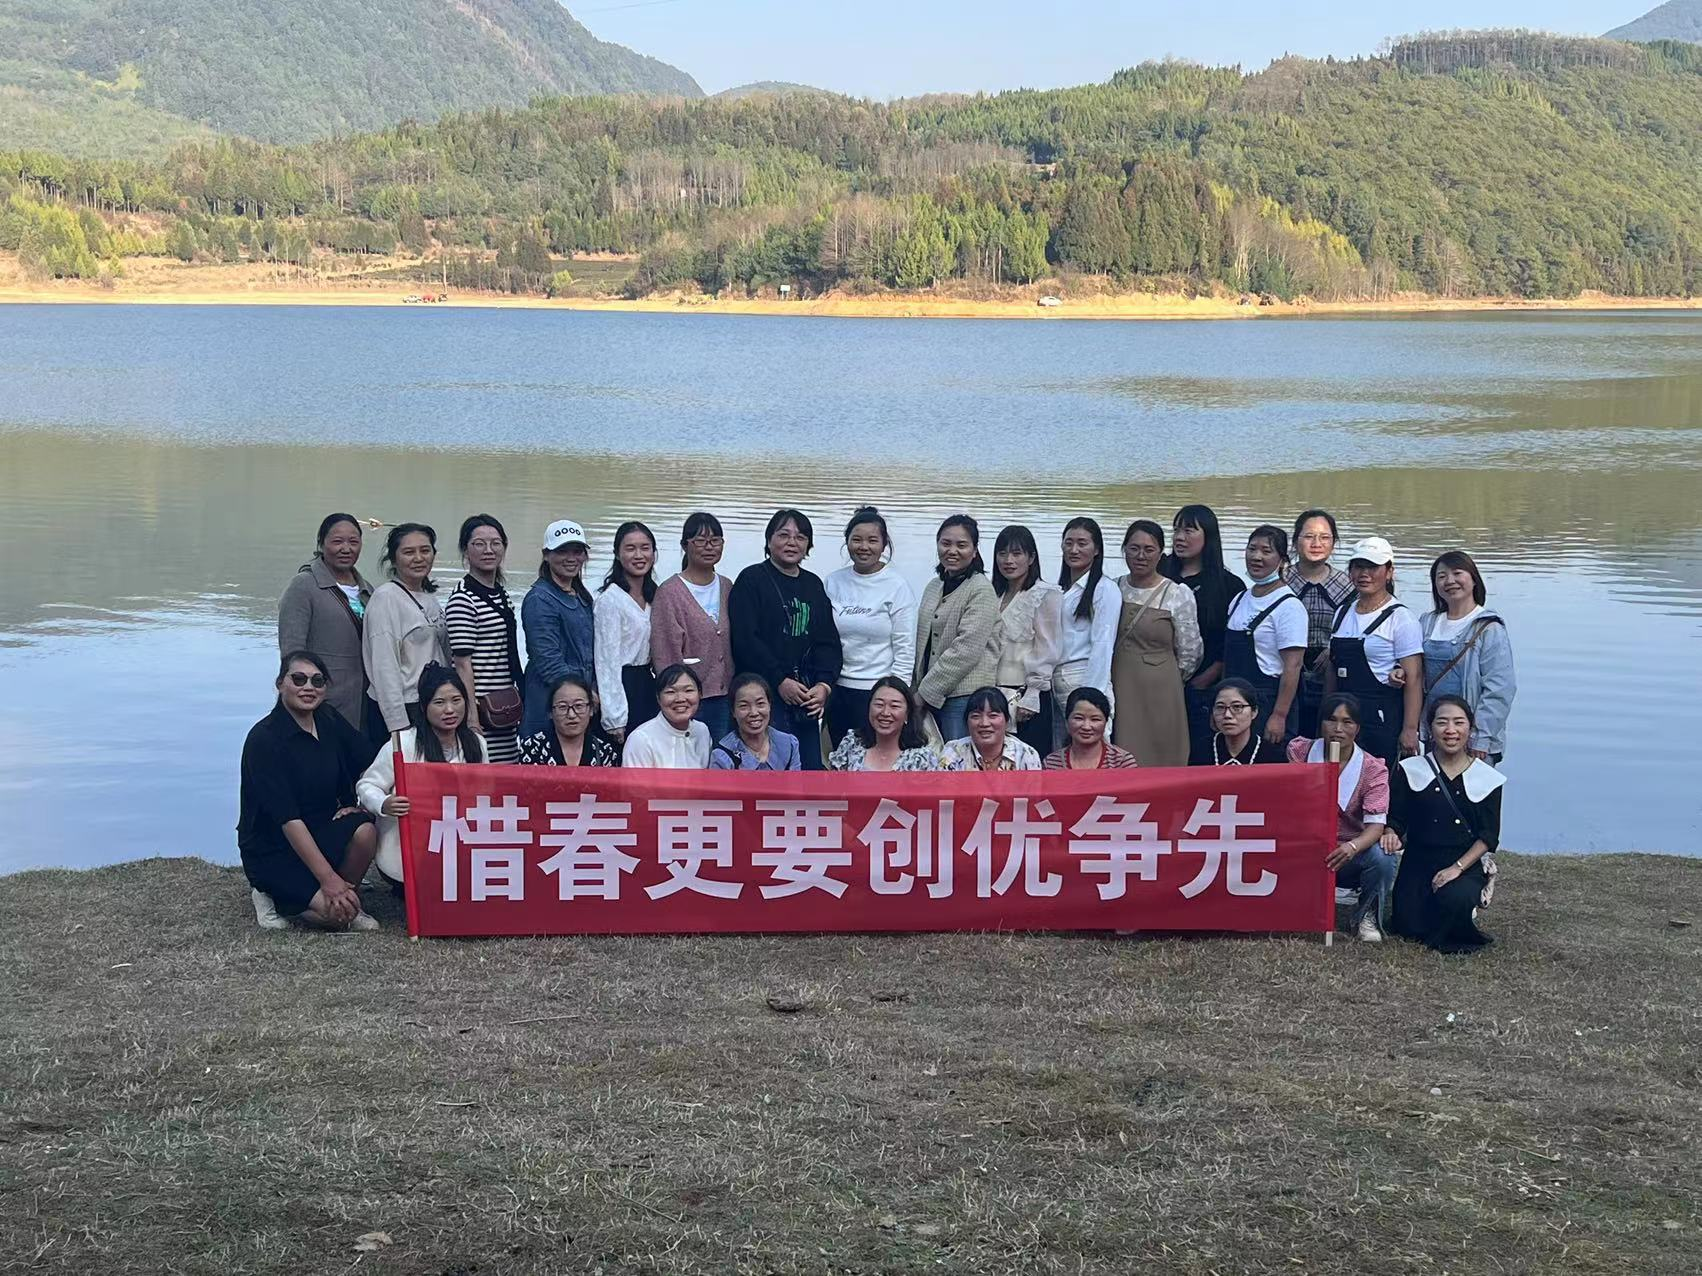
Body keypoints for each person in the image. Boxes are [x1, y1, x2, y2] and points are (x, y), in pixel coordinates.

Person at [238, 651, 380, 931]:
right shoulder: (263, 740)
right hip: (274, 847)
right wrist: (328, 878)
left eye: (317, 681)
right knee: (332, 921)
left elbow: (371, 759)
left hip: (320, 830)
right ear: (280, 684)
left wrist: (363, 802)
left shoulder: (328, 719)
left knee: (365, 831)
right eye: (299, 679)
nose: (308, 687)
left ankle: (347, 899)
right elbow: (288, 820)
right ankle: (268, 892)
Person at [1384, 696, 1504, 953]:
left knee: (1454, 899)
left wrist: (1456, 868)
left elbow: (1488, 836)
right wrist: (1391, 832)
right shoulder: (1410, 770)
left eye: (1459, 723)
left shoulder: (1487, 778)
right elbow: (1396, 818)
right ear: (1430, 728)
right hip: (1418, 860)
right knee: (1409, 926)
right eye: (1442, 722)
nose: (1451, 730)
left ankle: (1467, 900)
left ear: (1470, 728)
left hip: (1463, 862)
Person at [729, 509, 843, 770]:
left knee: (809, 768)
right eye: (784, 535)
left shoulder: (813, 585)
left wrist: (824, 685)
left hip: (804, 696)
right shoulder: (751, 580)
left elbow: (827, 641)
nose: (792, 543)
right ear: (769, 541)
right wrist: (779, 680)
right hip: (764, 695)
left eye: (800, 537)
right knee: (769, 770)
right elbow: (745, 640)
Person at [356, 663, 486, 886]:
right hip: (408, 849)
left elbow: (485, 794)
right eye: (439, 702)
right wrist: (384, 803)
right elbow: (367, 785)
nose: (450, 710)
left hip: (460, 840)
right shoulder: (402, 743)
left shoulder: (477, 743)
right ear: (424, 706)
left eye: (456, 700)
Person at [1287, 693, 1395, 942]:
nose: (1338, 729)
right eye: (1331, 720)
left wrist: (1352, 847)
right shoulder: (1299, 751)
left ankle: (1366, 915)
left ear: (1358, 728)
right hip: (1306, 844)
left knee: (1383, 857)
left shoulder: (1373, 769)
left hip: (1348, 849)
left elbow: (1376, 826)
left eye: (1347, 722)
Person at [278, 513, 381, 748]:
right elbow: (292, 651)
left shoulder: (368, 591)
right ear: (321, 543)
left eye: (353, 542)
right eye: (337, 541)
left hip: (364, 703)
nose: (346, 548)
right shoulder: (304, 586)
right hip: (322, 702)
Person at [1325, 536, 1424, 765]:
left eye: (1372, 567)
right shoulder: (1342, 613)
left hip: (1381, 719)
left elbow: (1415, 677)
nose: (1364, 574)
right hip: (1342, 721)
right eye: (1358, 567)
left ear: (1389, 572)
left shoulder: (1401, 618)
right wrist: (1325, 716)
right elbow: (1332, 668)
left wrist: (1410, 729)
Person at [1111, 519, 1201, 767]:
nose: (1141, 556)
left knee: (1163, 750)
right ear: (1124, 550)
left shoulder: (1177, 594)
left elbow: (1191, 651)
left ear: (1161, 553)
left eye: (1149, 549)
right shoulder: (1113, 588)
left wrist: (1167, 675)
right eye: (1134, 548)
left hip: (1162, 688)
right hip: (1118, 682)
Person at [825, 506, 917, 746]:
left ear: (884, 545)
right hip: (837, 689)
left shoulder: (897, 586)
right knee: (840, 756)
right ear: (847, 542)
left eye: (872, 540)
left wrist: (895, 696)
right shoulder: (833, 581)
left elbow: (905, 647)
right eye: (857, 540)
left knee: (874, 756)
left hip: (877, 691)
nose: (864, 547)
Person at [1162, 504, 1245, 763]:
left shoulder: (1228, 585)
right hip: (1159, 682)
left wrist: (1206, 679)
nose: (1180, 538)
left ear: (1208, 536)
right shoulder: (1160, 575)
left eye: (1189, 531)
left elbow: (1229, 642)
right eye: (1176, 530)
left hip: (1204, 686)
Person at [1418, 551, 1517, 763]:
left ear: (1474, 579)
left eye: (1457, 573)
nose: (1449, 581)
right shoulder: (1427, 623)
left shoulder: (1488, 627)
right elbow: (1414, 670)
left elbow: (1500, 688)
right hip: (1435, 733)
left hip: (1472, 739)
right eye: (1441, 576)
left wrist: (1481, 736)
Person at [444, 514, 524, 764]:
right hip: (482, 708)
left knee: (508, 771)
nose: (488, 550)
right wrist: (471, 716)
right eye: (479, 544)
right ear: (465, 550)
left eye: (495, 543)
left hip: (504, 704)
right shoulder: (463, 599)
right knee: (485, 773)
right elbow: (462, 663)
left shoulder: (500, 593)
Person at [914, 514, 1000, 743]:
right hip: (929, 692)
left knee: (959, 759)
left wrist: (924, 693)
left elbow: (966, 650)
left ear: (974, 550)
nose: (952, 551)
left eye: (961, 545)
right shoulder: (934, 586)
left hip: (963, 697)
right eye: (946, 543)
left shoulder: (981, 590)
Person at [651, 511, 735, 741]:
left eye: (715, 540)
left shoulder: (727, 586)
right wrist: (679, 698)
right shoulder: (669, 593)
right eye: (700, 541)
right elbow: (665, 655)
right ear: (685, 545)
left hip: (727, 697)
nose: (709, 547)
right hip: (691, 703)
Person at [363, 522, 451, 736]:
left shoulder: (429, 598)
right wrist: (398, 726)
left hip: (433, 703)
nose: (419, 558)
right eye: (409, 552)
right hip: (405, 708)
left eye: (425, 550)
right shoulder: (386, 599)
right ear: (393, 559)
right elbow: (384, 667)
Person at [1222, 525, 1307, 745]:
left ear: (1282, 560)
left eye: (1266, 551)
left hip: (1267, 703)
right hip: (1232, 702)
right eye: (1252, 549)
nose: (1256, 557)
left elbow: (1293, 666)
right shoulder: (1239, 599)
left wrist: (1279, 716)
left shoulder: (1289, 606)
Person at [990, 524, 1064, 758]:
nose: (1008, 560)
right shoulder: (993, 594)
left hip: (1025, 694)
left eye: (1016, 553)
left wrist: (1033, 694)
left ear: (1031, 557)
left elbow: (1048, 647)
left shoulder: (1044, 594)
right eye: (1002, 553)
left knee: (1027, 761)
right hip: (992, 694)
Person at [520, 518, 595, 740]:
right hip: (549, 704)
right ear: (546, 555)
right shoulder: (539, 599)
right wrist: (583, 695)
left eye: (577, 551)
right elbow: (548, 660)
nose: (571, 558)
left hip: (578, 704)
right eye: (562, 551)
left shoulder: (581, 596)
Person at [1285, 509, 1354, 734]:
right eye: (1309, 536)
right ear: (1295, 542)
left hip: (1332, 671)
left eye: (1324, 537)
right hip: (1287, 670)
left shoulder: (1348, 584)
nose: (1316, 544)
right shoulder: (1281, 581)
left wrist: (1333, 648)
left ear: (1333, 543)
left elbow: (1360, 626)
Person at [1055, 517, 1120, 750]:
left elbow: (1103, 645)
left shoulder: (1105, 589)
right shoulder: (1062, 588)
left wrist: (1090, 698)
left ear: (1097, 549)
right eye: (1069, 543)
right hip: (1058, 680)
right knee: (1063, 754)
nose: (1074, 550)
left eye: (1082, 543)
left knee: (1092, 752)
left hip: (1084, 676)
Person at [595, 520, 660, 748]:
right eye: (630, 548)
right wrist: (615, 717)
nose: (639, 555)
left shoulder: (655, 596)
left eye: (645, 548)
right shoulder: (610, 600)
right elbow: (606, 661)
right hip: (623, 686)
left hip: (647, 684)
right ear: (617, 554)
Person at [829, 675, 940, 772]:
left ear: (907, 714)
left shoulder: (922, 758)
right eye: (879, 705)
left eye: (894, 706)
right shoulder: (851, 744)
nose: (885, 713)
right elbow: (833, 785)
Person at [517, 673, 621, 767]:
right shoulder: (532, 747)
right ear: (550, 712)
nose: (571, 715)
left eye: (579, 706)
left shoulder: (605, 751)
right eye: (562, 707)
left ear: (591, 710)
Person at [622, 664, 713, 768]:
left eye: (688, 691)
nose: (680, 699)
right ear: (658, 698)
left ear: (700, 694)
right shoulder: (641, 739)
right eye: (671, 692)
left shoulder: (702, 731)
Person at [710, 672, 802, 771]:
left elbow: (796, 781)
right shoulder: (723, 755)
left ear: (770, 705)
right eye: (744, 706)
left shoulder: (789, 745)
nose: (754, 713)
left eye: (760, 704)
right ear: (733, 711)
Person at [940, 685, 1044, 772]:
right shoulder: (953, 752)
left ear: (1006, 720)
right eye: (976, 716)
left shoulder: (1026, 754)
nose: (984, 723)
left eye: (993, 716)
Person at [1193, 677, 1288, 766]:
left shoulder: (1272, 756)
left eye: (1237, 707)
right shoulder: (1201, 751)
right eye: (1220, 707)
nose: (1227, 715)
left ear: (1254, 712)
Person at [1044, 687, 1138, 770]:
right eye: (1079, 718)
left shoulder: (1121, 761)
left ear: (1106, 723)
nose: (1086, 727)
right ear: (1066, 721)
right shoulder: (1051, 763)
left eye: (1095, 719)